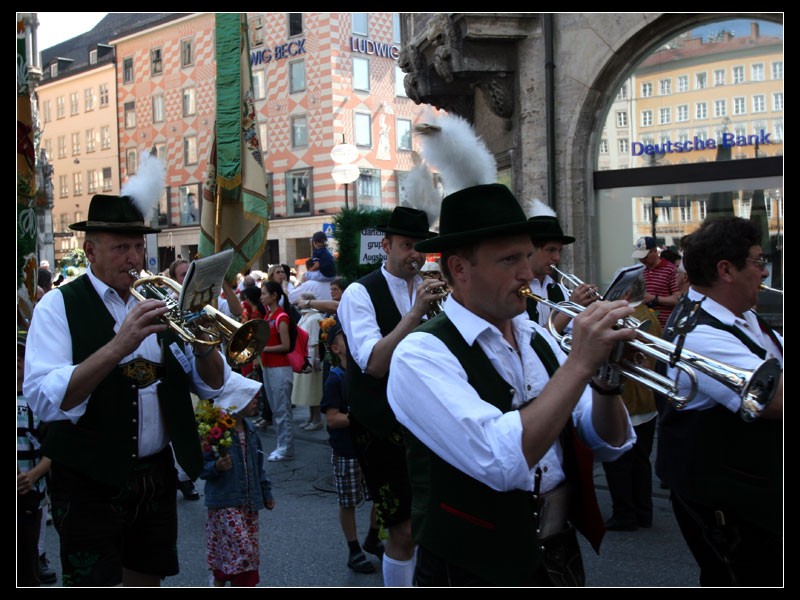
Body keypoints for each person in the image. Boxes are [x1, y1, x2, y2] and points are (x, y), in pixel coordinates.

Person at [386, 183, 637, 587]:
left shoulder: (537, 339)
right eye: (508, 260)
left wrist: (608, 381)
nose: (528, 272)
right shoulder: (420, 354)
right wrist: (580, 363)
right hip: (469, 567)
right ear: (459, 269)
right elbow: (499, 462)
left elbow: (605, 443)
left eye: (526, 255)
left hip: (557, 552)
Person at [23, 161, 231, 587]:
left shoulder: (163, 302)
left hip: (154, 475)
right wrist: (120, 345)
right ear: (90, 249)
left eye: (138, 246)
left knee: (146, 581)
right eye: (120, 248)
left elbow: (213, 383)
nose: (134, 258)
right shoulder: (58, 306)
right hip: (87, 479)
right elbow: (45, 398)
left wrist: (205, 342)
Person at [656, 216, 783, 587]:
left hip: (754, 492)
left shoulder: (740, 314)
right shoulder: (698, 334)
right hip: (728, 502)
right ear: (726, 270)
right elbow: (775, 401)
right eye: (759, 262)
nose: (764, 273)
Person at [337, 206, 445, 587]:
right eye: (406, 246)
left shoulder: (430, 287)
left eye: (422, 248)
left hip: (425, 421)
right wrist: (416, 313)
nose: (415, 254)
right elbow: (374, 364)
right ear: (386, 245)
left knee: (431, 526)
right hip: (381, 424)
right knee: (402, 531)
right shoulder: (358, 292)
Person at [319, 317, 384, 574]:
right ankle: (354, 548)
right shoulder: (335, 379)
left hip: (370, 448)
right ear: (336, 348)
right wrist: (361, 418)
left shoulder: (367, 371)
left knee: (381, 496)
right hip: (347, 451)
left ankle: (373, 536)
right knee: (348, 502)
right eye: (345, 338)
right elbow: (333, 419)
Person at [200, 373, 275, 587]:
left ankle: (222, 580)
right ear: (237, 399)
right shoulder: (216, 431)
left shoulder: (251, 431)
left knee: (237, 551)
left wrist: (266, 492)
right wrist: (215, 466)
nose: (256, 401)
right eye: (250, 397)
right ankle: (223, 579)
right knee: (242, 550)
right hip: (225, 502)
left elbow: (259, 465)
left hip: (248, 502)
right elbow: (200, 468)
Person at [600, 274, 662, 531]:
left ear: (624, 295)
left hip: (627, 402)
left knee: (619, 464)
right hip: (648, 403)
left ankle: (625, 514)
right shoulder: (652, 315)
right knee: (641, 461)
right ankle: (643, 511)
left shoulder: (625, 321)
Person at [526, 199, 598, 334]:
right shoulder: (514, 291)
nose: (557, 258)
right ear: (530, 249)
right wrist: (571, 307)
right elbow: (534, 343)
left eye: (559, 251)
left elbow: (573, 332)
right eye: (551, 250)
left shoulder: (559, 290)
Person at [17, 330, 53, 587]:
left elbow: (54, 449)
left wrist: (34, 474)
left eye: (20, 356)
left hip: (28, 491)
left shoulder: (37, 401)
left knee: (25, 560)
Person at [167, 257, 202, 501]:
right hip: (179, 373)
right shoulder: (168, 305)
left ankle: (188, 474)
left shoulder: (204, 301)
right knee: (178, 426)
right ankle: (181, 476)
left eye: (189, 273)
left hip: (201, 373)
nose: (186, 279)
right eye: (182, 275)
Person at [259, 280, 295, 461]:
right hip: (269, 367)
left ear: (274, 296)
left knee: (282, 410)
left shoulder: (281, 317)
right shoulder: (268, 316)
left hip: (280, 368)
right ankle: (282, 445)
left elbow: (286, 345)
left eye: (264, 293)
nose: (261, 297)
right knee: (276, 409)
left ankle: (285, 448)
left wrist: (263, 349)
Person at [291, 292, 325, 430]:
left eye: (301, 301)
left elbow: (316, 340)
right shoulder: (305, 317)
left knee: (313, 389)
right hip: (304, 355)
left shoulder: (315, 317)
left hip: (311, 356)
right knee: (307, 390)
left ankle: (317, 420)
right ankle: (311, 418)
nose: (298, 304)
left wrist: (316, 359)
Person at [631, 236, 680, 329]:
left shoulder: (671, 270)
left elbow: (678, 299)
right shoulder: (640, 271)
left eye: (645, 257)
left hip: (665, 325)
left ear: (654, 251)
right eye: (639, 257)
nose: (642, 260)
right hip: (645, 324)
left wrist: (653, 298)